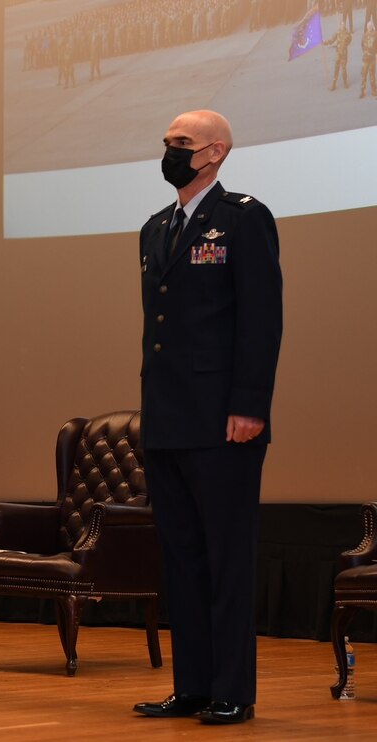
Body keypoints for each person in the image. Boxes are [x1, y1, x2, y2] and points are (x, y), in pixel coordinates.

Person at [132, 110, 282, 725]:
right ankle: (192, 684)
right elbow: (160, 330)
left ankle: (232, 690)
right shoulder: (154, 228)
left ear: (215, 152)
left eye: (182, 143)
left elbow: (261, 318)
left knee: (226, 558)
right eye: (167, 142)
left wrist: (249, 405)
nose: (169, 151)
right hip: (168, 420)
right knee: (183, 559)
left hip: (224, 421)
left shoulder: (244, 218)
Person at [325, 20, 353, 91]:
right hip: (338, 53)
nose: (342, 26)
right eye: (341, 25)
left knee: (343, 69)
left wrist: (346, 42)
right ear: (340, 25)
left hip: (344, 53)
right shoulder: (337, 33)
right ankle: (334, 84)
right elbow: (332, 40)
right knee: (336, 68)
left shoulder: (347, 34)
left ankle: (345, 82)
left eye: (344, 25)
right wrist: (325, 42)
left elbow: (350, 40)